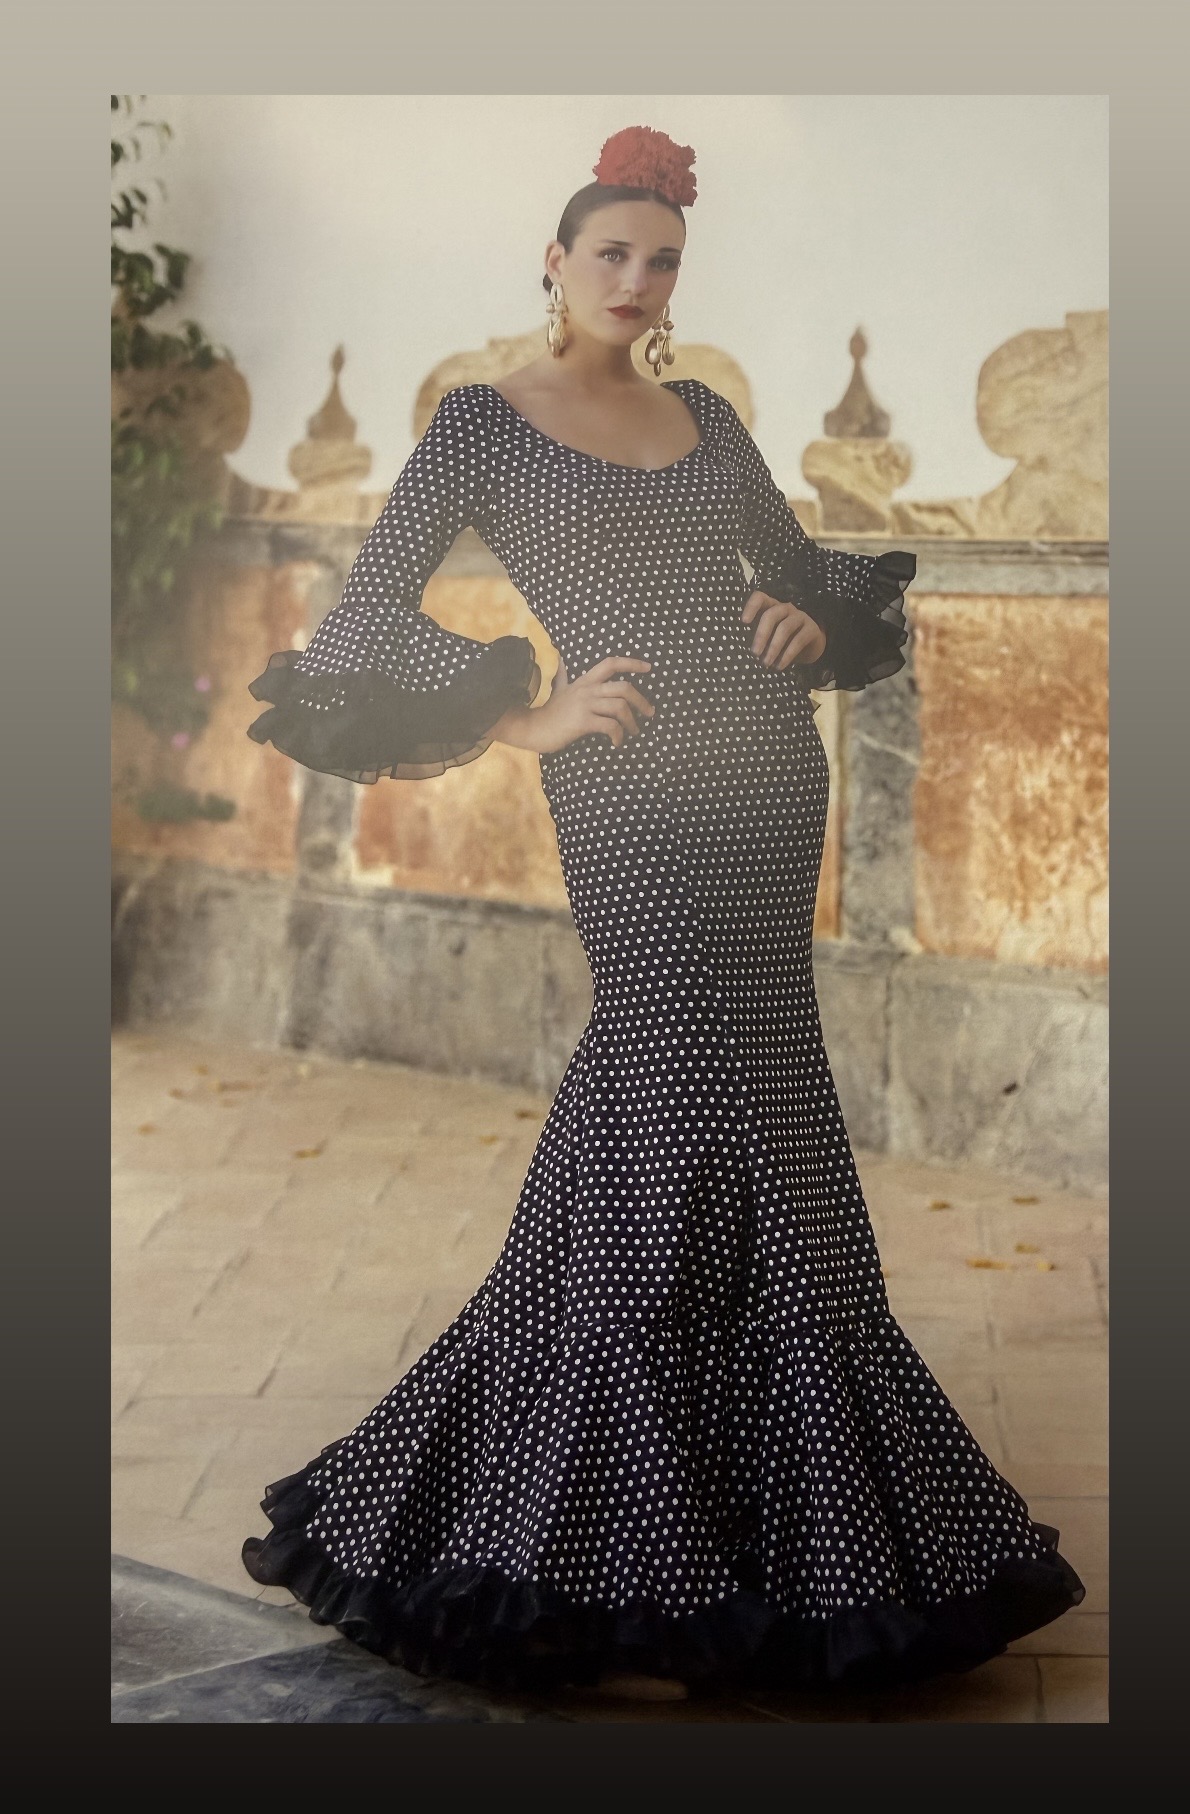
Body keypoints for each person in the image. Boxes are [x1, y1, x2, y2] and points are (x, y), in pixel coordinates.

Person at [243, 126, 1083, 1703]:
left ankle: (731, 1525)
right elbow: (360, 617)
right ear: (554, 263)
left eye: (662, 260)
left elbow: (806, 571)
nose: (636, 281)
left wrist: (800, 616)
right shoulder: (484, 423)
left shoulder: (706, 417)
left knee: (748, 1096)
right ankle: (607, 1522)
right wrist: (525, 717)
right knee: (675, 1088)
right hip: (628, 790)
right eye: (610, 253)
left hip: (765, 774)